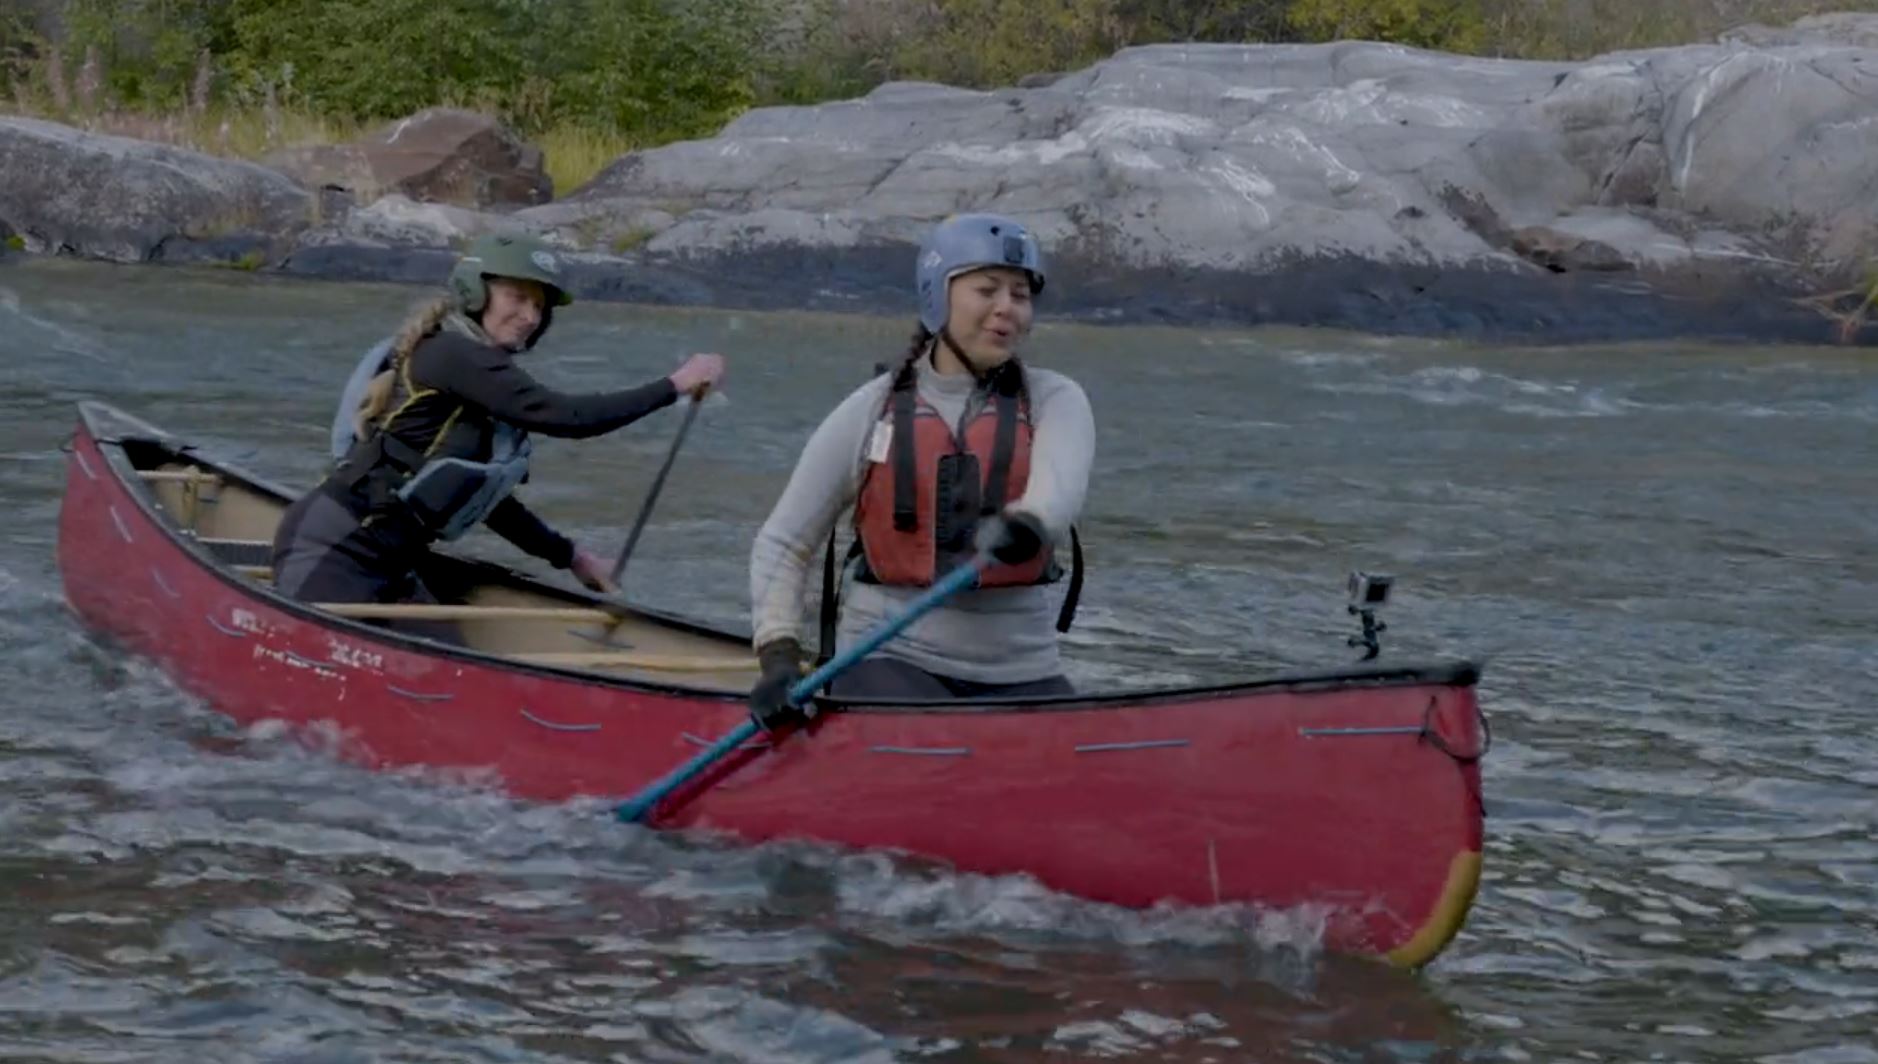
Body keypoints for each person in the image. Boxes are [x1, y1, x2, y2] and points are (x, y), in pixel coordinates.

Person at [272, 232, 724, 636]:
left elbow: (483, 499)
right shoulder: (454, 354)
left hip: (391, 559)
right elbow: (567, 416)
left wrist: (571, 557)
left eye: (539, 306)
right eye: (516, 297)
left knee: (435, 673)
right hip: (333, 549)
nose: (529, 315)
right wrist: (672, 386)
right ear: (476, 291)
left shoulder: (480, 376)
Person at [746, 213, 1093, 723]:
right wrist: (778, 656)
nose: (1006, 310)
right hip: (889, 659)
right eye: (987, 290)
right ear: (939, 295)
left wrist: (1030, 523)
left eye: (1020, 296)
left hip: (1021, 667)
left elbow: (1057, 493)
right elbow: (785, 541)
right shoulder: (871, 409)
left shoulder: (1056, 399)